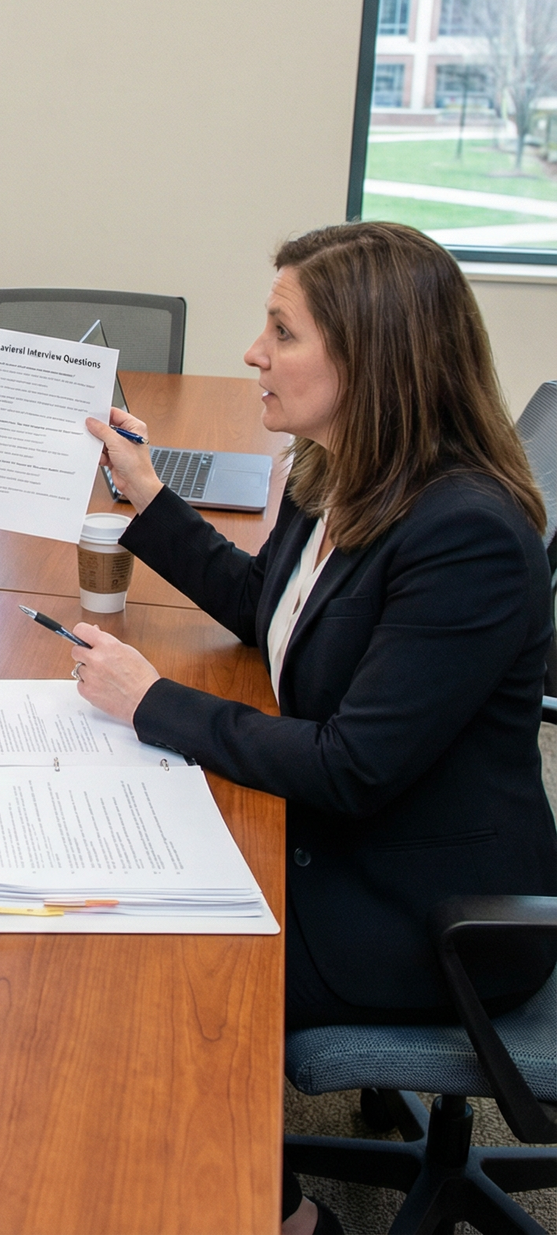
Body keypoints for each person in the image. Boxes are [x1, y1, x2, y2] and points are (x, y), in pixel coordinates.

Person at [71, 222, 556, 1235]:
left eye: (282, 332)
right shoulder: (335, 470)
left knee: (155, 974)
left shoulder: (466, 534)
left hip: (430, 912)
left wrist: (151, 701)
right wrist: (147, 493)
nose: (253, 352)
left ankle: (286, 1217)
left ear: (372, 357)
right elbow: (269, 607)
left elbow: (351, 765)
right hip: (353, 841)